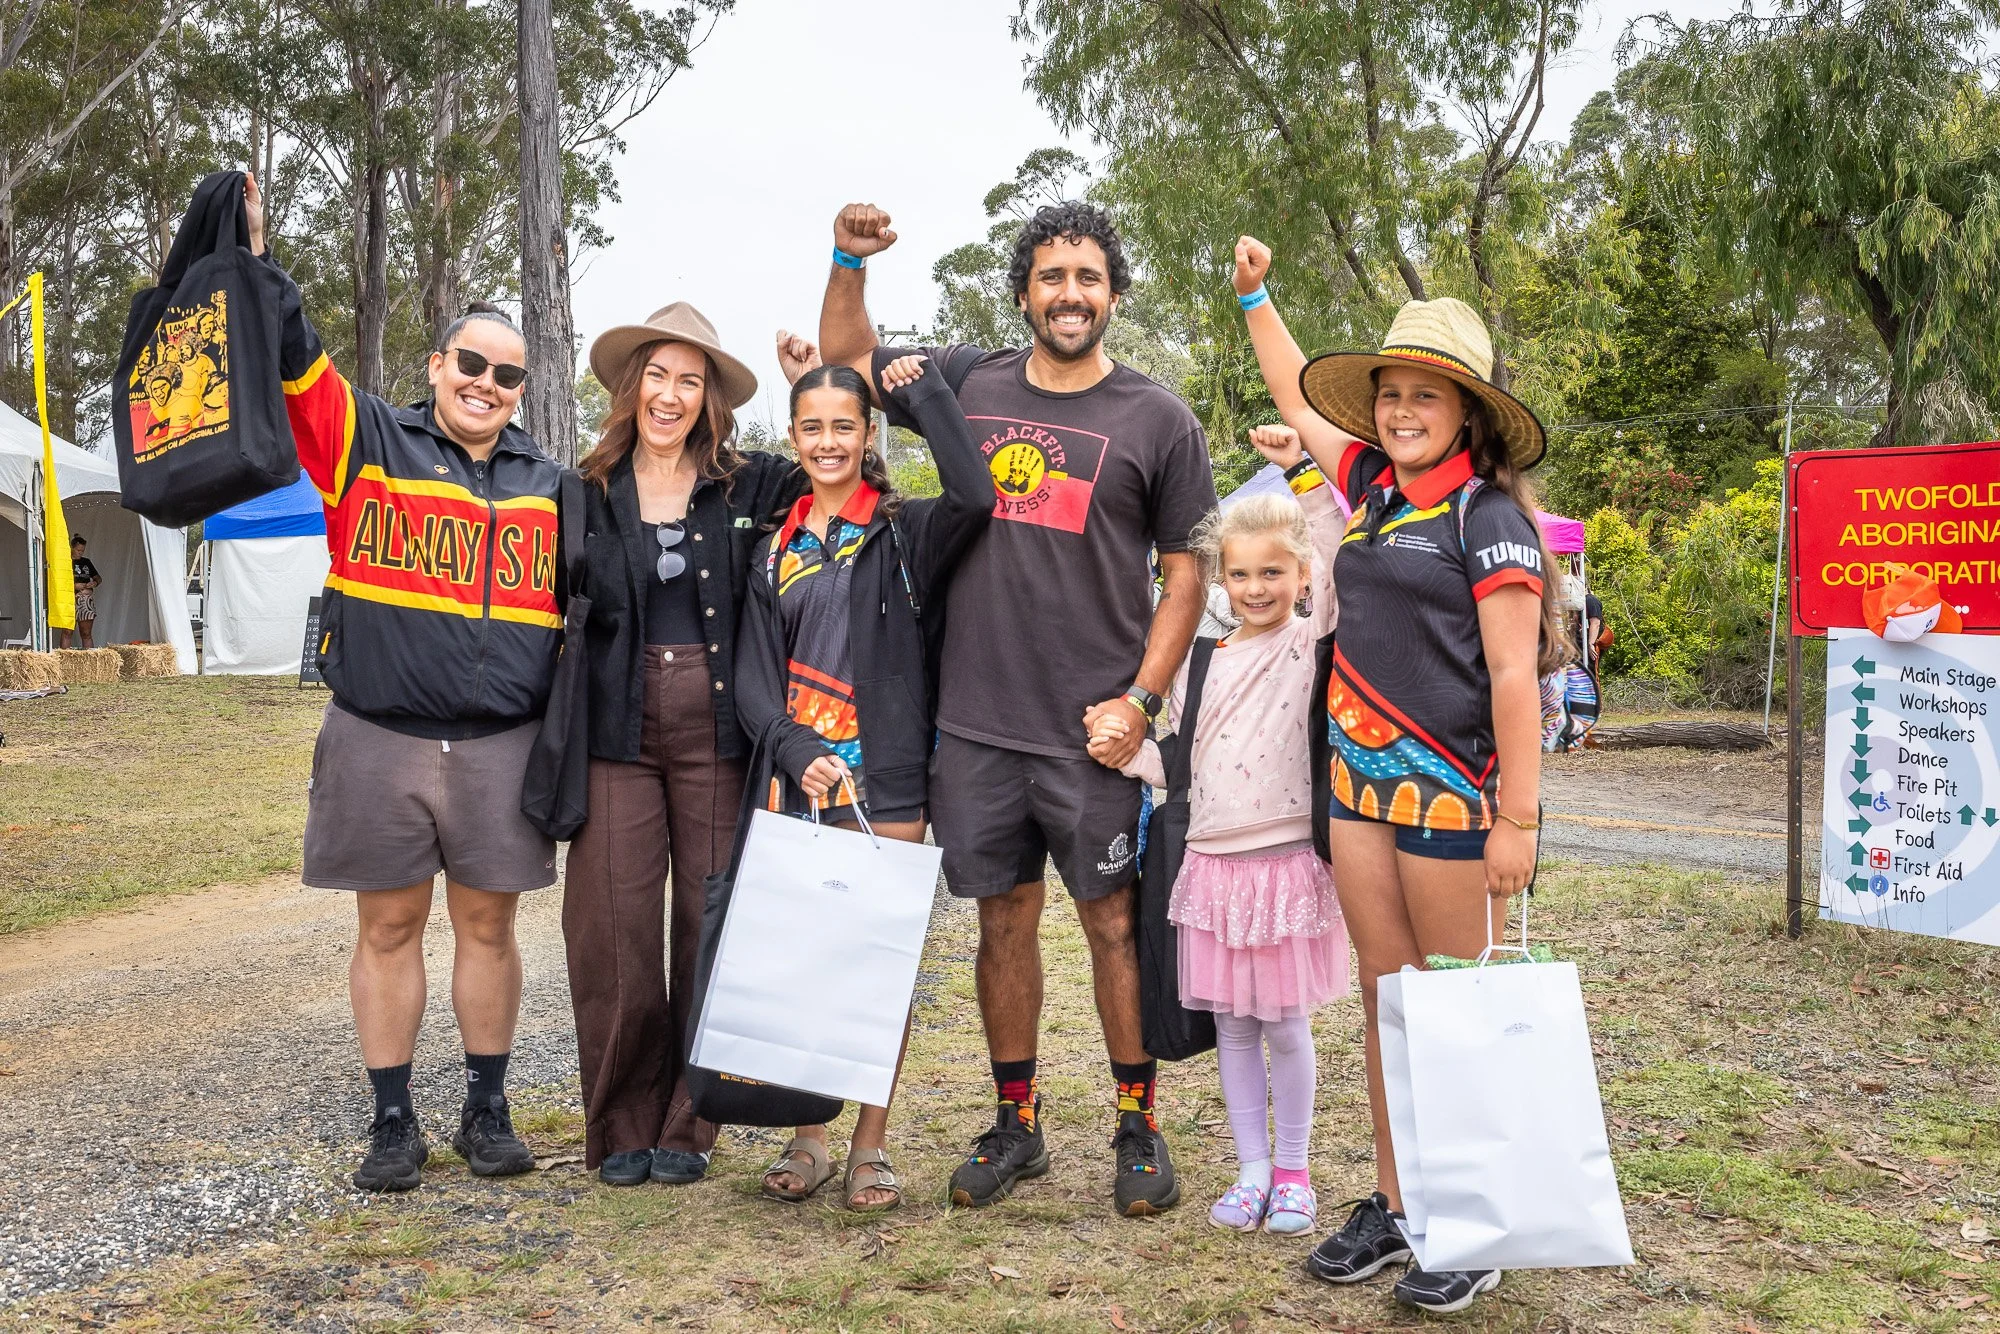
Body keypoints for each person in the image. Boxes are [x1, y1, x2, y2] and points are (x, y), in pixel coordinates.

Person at [819, 201, 1218, 1217]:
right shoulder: (966, 381)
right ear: (1024, 292)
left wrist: (1141, 701)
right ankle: (1015, 1123)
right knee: (1002, 920)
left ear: (1113, 294)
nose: (1069, 294)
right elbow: (845, 362)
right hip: (976, 722)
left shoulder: (1159, 419)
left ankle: (1136, 1124)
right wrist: (848, 263)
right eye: (1051, 276)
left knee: (1111, 923)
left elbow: (1186, 574)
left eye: (1088, 277)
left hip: (1093, 730)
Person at [1230, 236, 1562, 1312]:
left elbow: (1513, 675)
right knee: (1389, 1004)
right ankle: (1396, 1201)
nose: (1402, 410)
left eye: (1426, 394)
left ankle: (1473, 1221)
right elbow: (1293, 388)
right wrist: (1256, 296)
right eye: (1390, 392)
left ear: (1466, 414)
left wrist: (1518, 819)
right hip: (1358, 794)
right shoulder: (1370, 486)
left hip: (1451, 797)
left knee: (1457, 1009)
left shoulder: (1489, 519)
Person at [239, 175, 562, 1193]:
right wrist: (255, 258)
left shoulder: (551, 486)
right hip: (379, 732)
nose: (485, 383)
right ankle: (392, 1121)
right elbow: (297, 363)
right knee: (386, 926)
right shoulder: (366, 441)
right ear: (436, 365)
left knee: (489, 926)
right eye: (470, 363)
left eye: (506, 374)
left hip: (501, 742)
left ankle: (486, 1109)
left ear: (521, 389)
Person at [733, 350, 994, 1211]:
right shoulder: (772, 549)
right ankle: (808, 1135)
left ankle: (870, 1145)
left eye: (844, 426)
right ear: (792, 438)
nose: (828, 442)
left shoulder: (905, 530)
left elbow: (977, 495)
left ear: (869, 432)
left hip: (887, 780)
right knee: (807, 963)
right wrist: (788, 744)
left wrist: (926, 390)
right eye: (812, 428)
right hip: (797, 780)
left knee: (877, 965)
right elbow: (752, 676)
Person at [561, 308, 808, 1189]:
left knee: (712, 918)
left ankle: (692, 1118)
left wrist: (808, 387)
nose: (670, 396)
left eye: (689, 381)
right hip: (616, 727)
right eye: (657, 377)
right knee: (612, 925)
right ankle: (622, 1120)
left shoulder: (751, 484)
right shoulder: (583, 489)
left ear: (710, 400)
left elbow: (848, 477)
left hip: (720, 728)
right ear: (633, 389)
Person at [1090, 424, 1348, 1238]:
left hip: (1283, 862)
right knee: (1233, 1026)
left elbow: (1334, 542)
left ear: (1301, 577)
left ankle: (1295, 1171)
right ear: (1219, 581)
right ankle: (1251, 1170)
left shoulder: (1307, 644)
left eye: (1273, 572)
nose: (1256, 588)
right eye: (1240, 575)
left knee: (1285, 1025)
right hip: (1211, 866)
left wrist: (1300, 469)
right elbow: (1183, 760)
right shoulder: (1203, 660)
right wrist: (1121, 748)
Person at [63, 535, 101, 649]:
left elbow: (98, 578)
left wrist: (94, 583)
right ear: (72, 548)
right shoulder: (65, 561)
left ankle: (89, 656)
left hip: (85, 599)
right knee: (67, 631)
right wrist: (74, 585)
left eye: (82, 551)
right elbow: (57, 581)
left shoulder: (86, 562)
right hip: (69, 598)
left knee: (86, 633)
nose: (80, 553)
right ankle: (64, 656)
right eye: (78, 550)